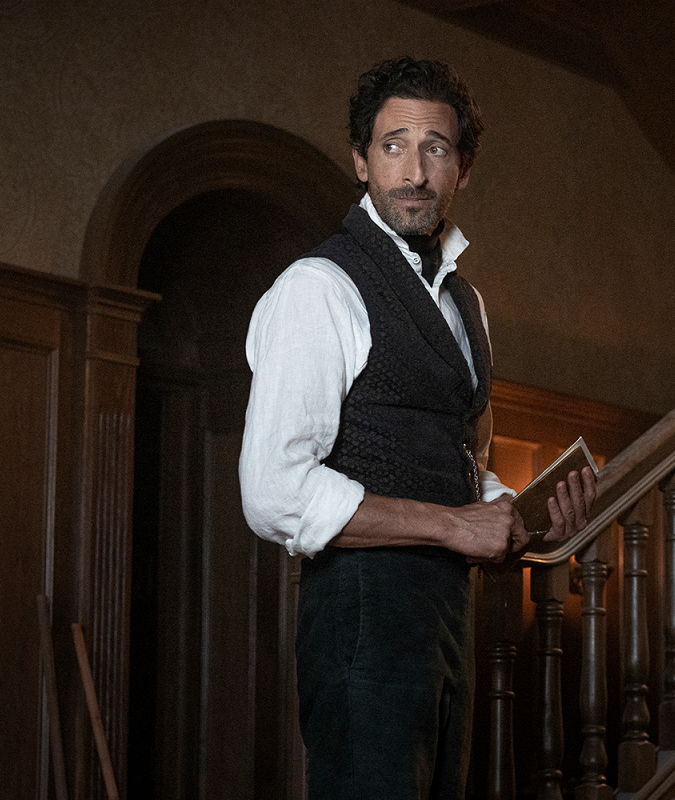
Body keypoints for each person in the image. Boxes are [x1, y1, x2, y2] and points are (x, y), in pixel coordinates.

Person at [239, 56, 597, 800]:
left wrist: (516, 516)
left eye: (435, 148)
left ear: (462, 169)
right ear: (360, 160)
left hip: (446, 612)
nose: (414, 171)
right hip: (360, 613)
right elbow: (273, 492)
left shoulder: (467, 303)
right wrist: (452, 526)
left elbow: (460, 460)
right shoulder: (318, 287)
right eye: (393, 145)